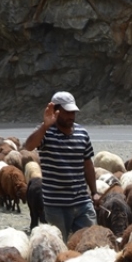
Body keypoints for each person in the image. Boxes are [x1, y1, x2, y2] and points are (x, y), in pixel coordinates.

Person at [24, 91, 98, 240]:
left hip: (82, 202)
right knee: (58, 247)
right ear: (55, 111)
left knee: (88, 242)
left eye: (73, 112)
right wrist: (45, 126)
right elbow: (28, 146)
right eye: (67, 112)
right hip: (55, 205)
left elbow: (87, 164)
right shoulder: (46, 133)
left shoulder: (82, 133)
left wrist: (94, 191)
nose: (71, 116)